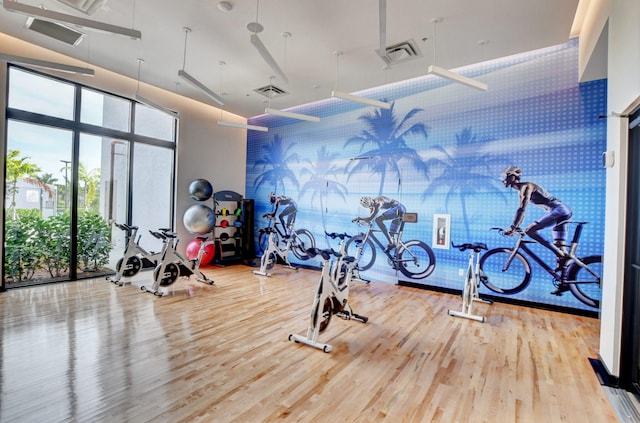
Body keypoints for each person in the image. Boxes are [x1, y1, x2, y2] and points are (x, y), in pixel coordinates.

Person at [501, 166, 573, 296]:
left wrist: (513, 227)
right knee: (561, 252)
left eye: (505, 176)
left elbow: (522, 209)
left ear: (513, 177)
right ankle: (565, 283)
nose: (503, 179)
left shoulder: (526, 187)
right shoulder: (521, 190)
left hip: (558, 211)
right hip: (560, 212)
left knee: (529, 231)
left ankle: (561, 255)